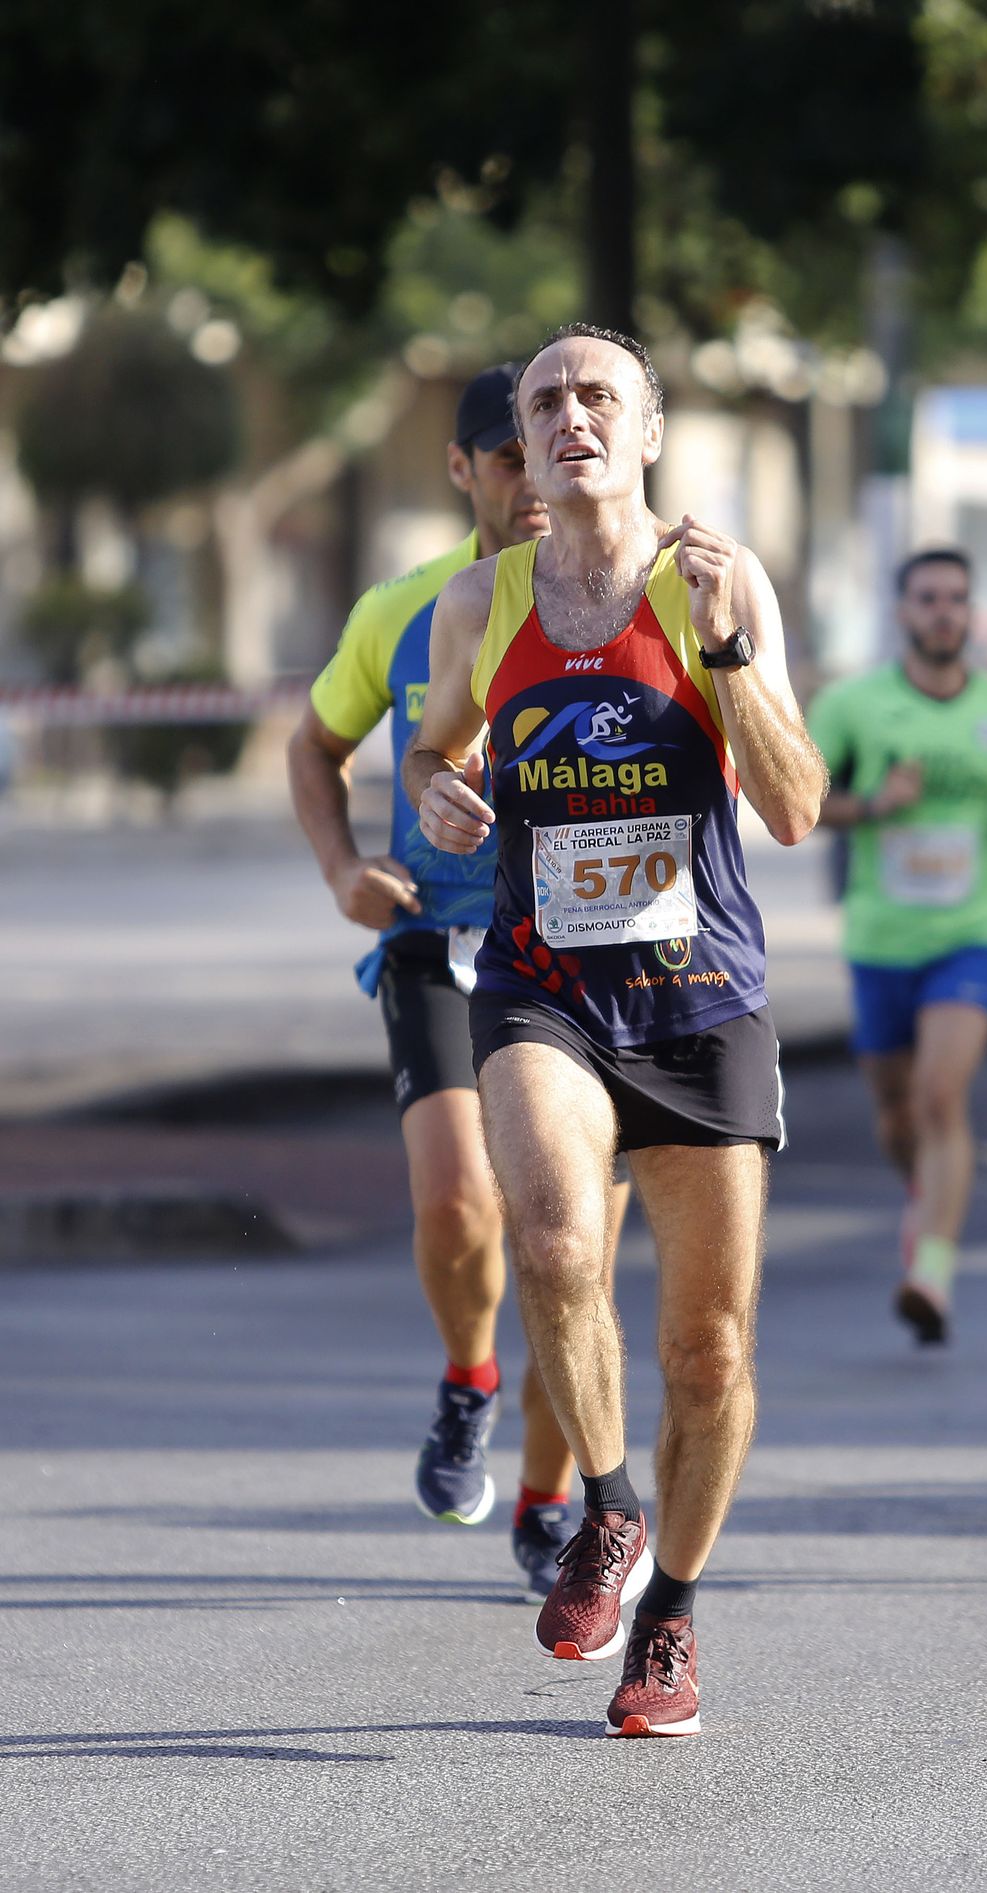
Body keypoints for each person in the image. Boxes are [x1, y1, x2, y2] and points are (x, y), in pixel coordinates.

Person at [405, 323, 826, 1738]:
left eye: (601, 396)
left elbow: (795, 804)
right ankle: (605, 1503)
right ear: (520, 445)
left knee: (708, 1353)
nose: (573, 416)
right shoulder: (483, 602)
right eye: (546, 401)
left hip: (702, 999)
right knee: (559, 1238)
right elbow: (433, 750)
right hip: (543, 983)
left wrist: (730, 650)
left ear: (646, 431)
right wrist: (438, 793)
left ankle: (674, 1617)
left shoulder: (715, 580)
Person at [287, 363, 627, 1597]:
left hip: (595, 950)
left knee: (573, 1256)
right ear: (464, 470)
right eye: (501, 457)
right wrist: (342, 870)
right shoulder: (407, 609)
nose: (526, 476)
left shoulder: (618, 593)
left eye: (537, 452)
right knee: (458, 1208)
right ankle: (468, 1377)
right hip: (442, 934)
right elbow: (312, 747)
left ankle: (548, 1500)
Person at [808, 548, 987, 1344]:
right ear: (903, 612)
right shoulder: (854, 704)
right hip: (880, 938)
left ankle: (931, 1269)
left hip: (971, 935)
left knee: (943, 1096)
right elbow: (797, 803)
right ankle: (925, 1200)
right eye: (928, 599)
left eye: (957, 599)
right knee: (899, 1113)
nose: (944, 612)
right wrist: (873, 803)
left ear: (971, 612)